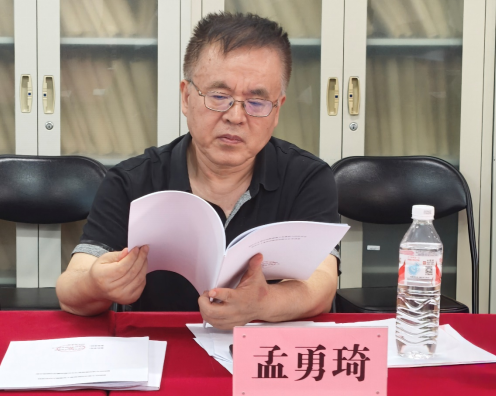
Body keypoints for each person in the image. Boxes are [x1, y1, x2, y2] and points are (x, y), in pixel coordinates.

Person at [56, 12, 340, 330]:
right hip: (162, 349)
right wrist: (98, 283)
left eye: (256, 102)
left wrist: (262, 304)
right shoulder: (132, 181)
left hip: (261, 354)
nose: (236, 116)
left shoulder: (307, 179)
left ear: (277, 111)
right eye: (219, 96)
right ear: (186, 96)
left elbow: (321, 284)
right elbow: (70, 290)